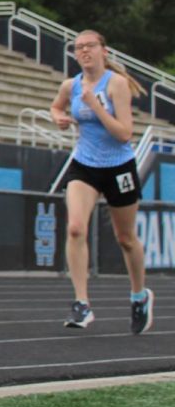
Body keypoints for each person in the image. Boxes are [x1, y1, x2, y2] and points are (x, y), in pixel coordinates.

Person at [50, 30, 153, 334]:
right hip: (85, 164)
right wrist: (58, 117)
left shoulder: (116, 84)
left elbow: (124, 134)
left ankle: (139, 296)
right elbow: (56, 106)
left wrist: (95, 106)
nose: (84, 52)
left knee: (125, 238)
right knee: (75, 227)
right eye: (78, 48)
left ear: (103, 51)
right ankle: (81, 303)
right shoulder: (71, 85)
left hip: (119, 167)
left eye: (89, 46)